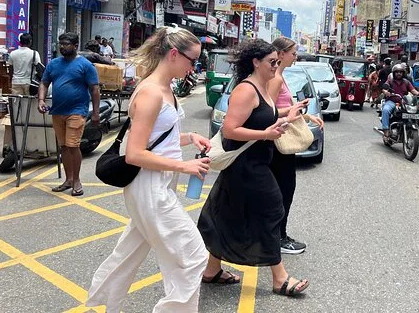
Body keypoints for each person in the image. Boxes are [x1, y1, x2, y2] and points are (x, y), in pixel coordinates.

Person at [87, 27, 211, 312]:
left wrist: (190, 137)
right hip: (149, 185)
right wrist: (184, 165)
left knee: (129, 251)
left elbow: (159, 139)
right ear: (174, 54)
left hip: (160, 182)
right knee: (194, 256)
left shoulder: (166, 89)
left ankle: (106, 302)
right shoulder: (151, 92)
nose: (195, 67)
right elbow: (135, 154)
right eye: (193, 60)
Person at [197, 39, 310, 297]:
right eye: (272, 61)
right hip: (246, 165)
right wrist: (265, 135)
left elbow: (263, 117)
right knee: (272, 210)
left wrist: (288, 115)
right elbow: (229, 129)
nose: (276, 65)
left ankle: (211, 270)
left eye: (277, 61)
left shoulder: (263, 87)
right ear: (256, 62)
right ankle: (280, 278)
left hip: (256, 162)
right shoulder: (246, 90)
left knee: (229, 214)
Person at [268, 37, 322, 255]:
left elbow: (278, 109)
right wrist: (293, 111)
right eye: (293, 53)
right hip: (278, 140)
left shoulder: (280, 76)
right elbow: (268, 112)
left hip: (281, 137)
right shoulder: (275, 79)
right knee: (284, 190)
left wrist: (303, 113)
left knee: (283, 190)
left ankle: (276, 235)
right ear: (281, 54)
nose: (295, 57)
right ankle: (279, 238)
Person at [38, 33, 100, 197]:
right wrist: (41, 100)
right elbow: (44, 83)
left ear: (75, 46)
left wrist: (95, 113)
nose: (62, 47)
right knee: (64, 146)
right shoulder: (53, 64)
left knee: (73, 145)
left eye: (66, 44)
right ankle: (68, 179)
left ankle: (77, 180)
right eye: (61, 44)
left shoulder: (86, 65)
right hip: (58, 111)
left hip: (77, 111)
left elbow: (94, 89)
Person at [380, 64, 419, 138]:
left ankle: (412, 129)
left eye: (400, 72)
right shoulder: (390, 81)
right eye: (397, 72)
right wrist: (386, 92)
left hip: (403, 102)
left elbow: (413, 90)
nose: (399, 73)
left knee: (414, 111)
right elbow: (384, 88)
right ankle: (386, 130)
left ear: (403, 73)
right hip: (392, 101)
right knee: (385, 110)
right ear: (394, 73)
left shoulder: (406, 82)